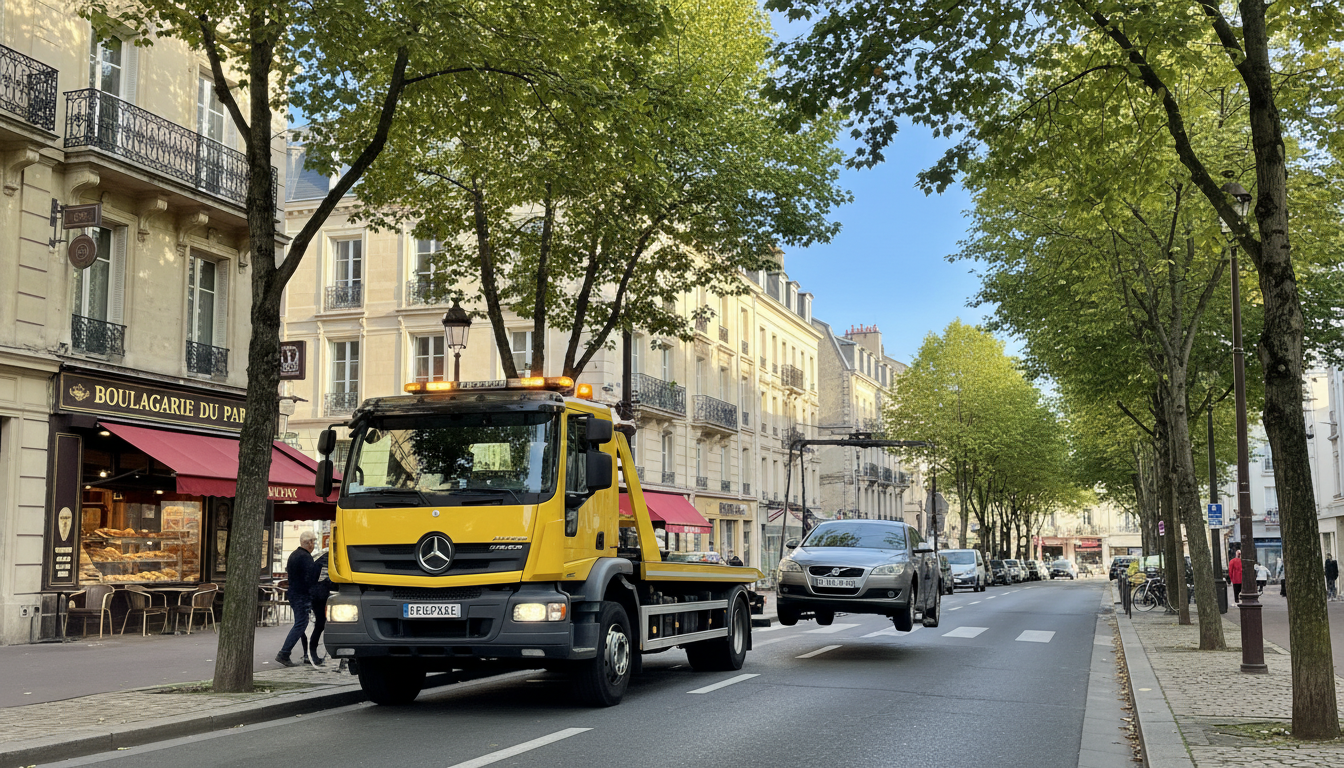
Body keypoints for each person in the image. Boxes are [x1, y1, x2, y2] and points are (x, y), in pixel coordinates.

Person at [276, 530, 317, 667]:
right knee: (301, 624)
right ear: (309, 543)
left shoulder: (294, 555)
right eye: (314, 542)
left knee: (303, 625)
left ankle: (307, 655)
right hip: (302, 595)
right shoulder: (305, 557)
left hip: (294, 593)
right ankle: (284, 653)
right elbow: (311, 579)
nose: (314, 545)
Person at [308, 549, 334, 666]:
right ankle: (312, 652)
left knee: (321, 624)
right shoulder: (326, 559)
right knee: (320, 624)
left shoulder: (325, 557)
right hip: (321, 596)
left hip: (323, 595)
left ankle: (312, 652)